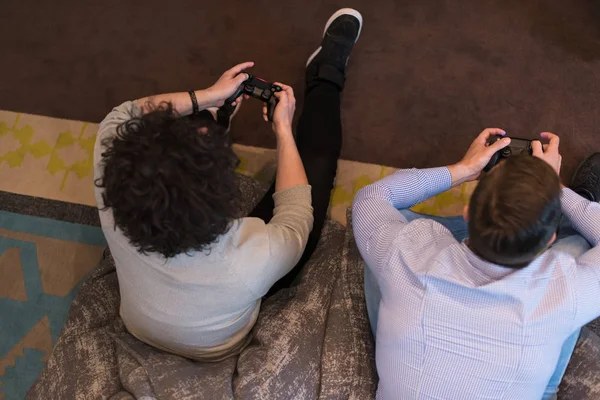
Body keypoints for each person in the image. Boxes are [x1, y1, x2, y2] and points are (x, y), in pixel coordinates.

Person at [93, 8, 363, 361]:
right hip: (219, 346)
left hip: (140, 325)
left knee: (186, 136)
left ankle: (218, 119)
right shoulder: (245, 261)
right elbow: (296, 214)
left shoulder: (109, 169)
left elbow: (127, 114)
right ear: (221, 207)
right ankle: (326, 78)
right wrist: (283, 131)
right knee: (316, 165)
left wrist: (207, 97)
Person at [353, 128, 600, 399]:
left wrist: (462, 169)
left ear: (468, 211)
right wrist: (555, 189)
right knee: (579, 241)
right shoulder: (564, 291)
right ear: (548, 241)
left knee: (390, 225)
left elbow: (371, 197)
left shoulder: (406, 252)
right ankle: (569, 211)